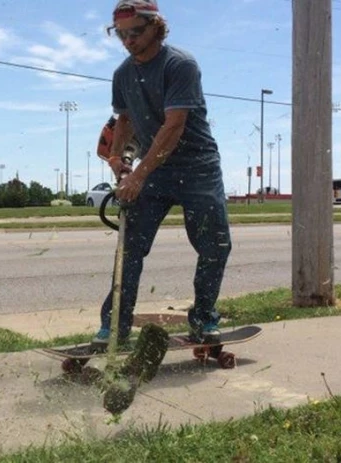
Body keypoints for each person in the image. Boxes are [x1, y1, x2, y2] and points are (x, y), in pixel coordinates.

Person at [93, 0, 232, 346]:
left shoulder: (179, 65)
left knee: (214, 245)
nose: (128, 41)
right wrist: (116, 157)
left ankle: (203, 321)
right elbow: (124, 119)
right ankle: (115, 327)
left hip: (197, 168)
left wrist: (138, 175)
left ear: (157, 25)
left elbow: (174, 126)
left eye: (135, 32)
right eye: (120, 34)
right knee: (130, 248)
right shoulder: (123, 74)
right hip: (152, 171)